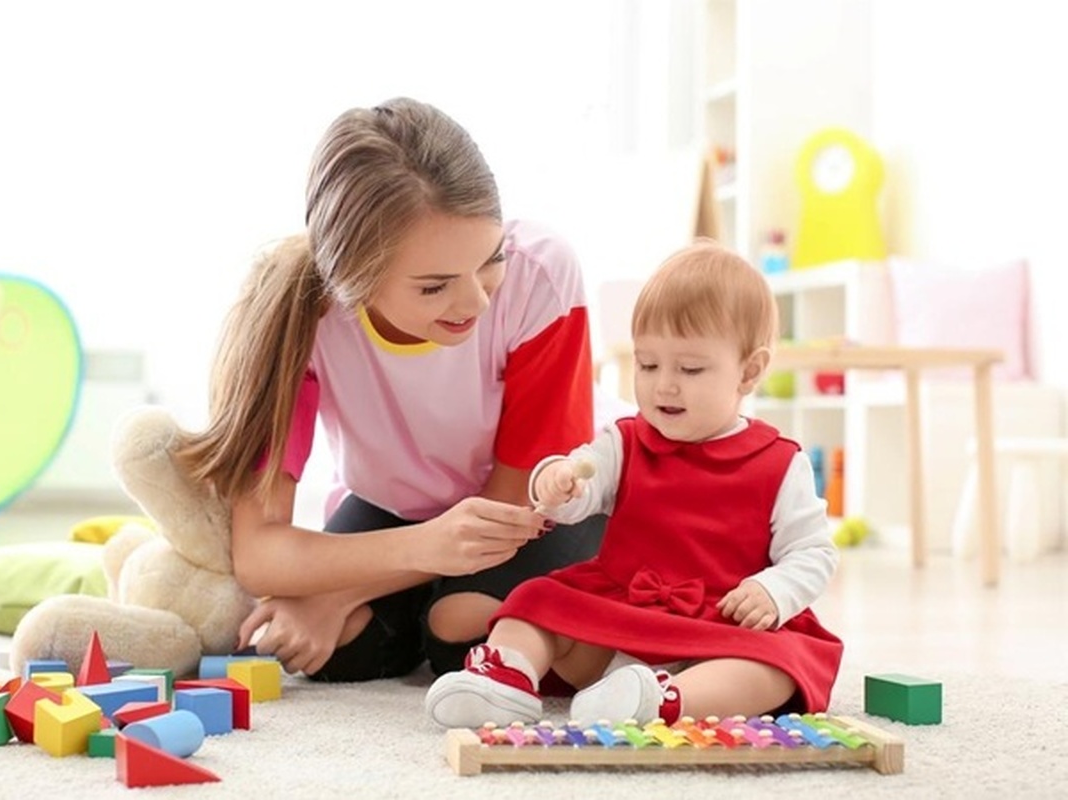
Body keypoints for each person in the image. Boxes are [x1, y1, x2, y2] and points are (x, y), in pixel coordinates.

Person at [174, 97, 606, 683]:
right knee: (328, 654)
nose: (476, 300)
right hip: (398, 512)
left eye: (489, 258)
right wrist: (419, 553)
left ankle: (434, 607)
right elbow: (259, 555)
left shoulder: (543, 276)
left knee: (466, 640)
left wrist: (337, 592)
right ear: (352, 281)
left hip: (532, 506)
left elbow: (515, 507)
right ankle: (424, 600)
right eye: (434, 287)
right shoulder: (300, 320)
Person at [425, 241, 842, 727]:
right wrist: (556, 482)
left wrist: (773, 591)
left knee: (779, 666)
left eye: (689, 369)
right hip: (618, 615)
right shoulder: (625, 440)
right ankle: (504, 679)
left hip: (716, 626)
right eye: (647, 365)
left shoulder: (779, 462)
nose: (664, 385)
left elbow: (814, 552)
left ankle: (664, 701)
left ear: (748, 371)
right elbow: (580, 478)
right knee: (533, 601)